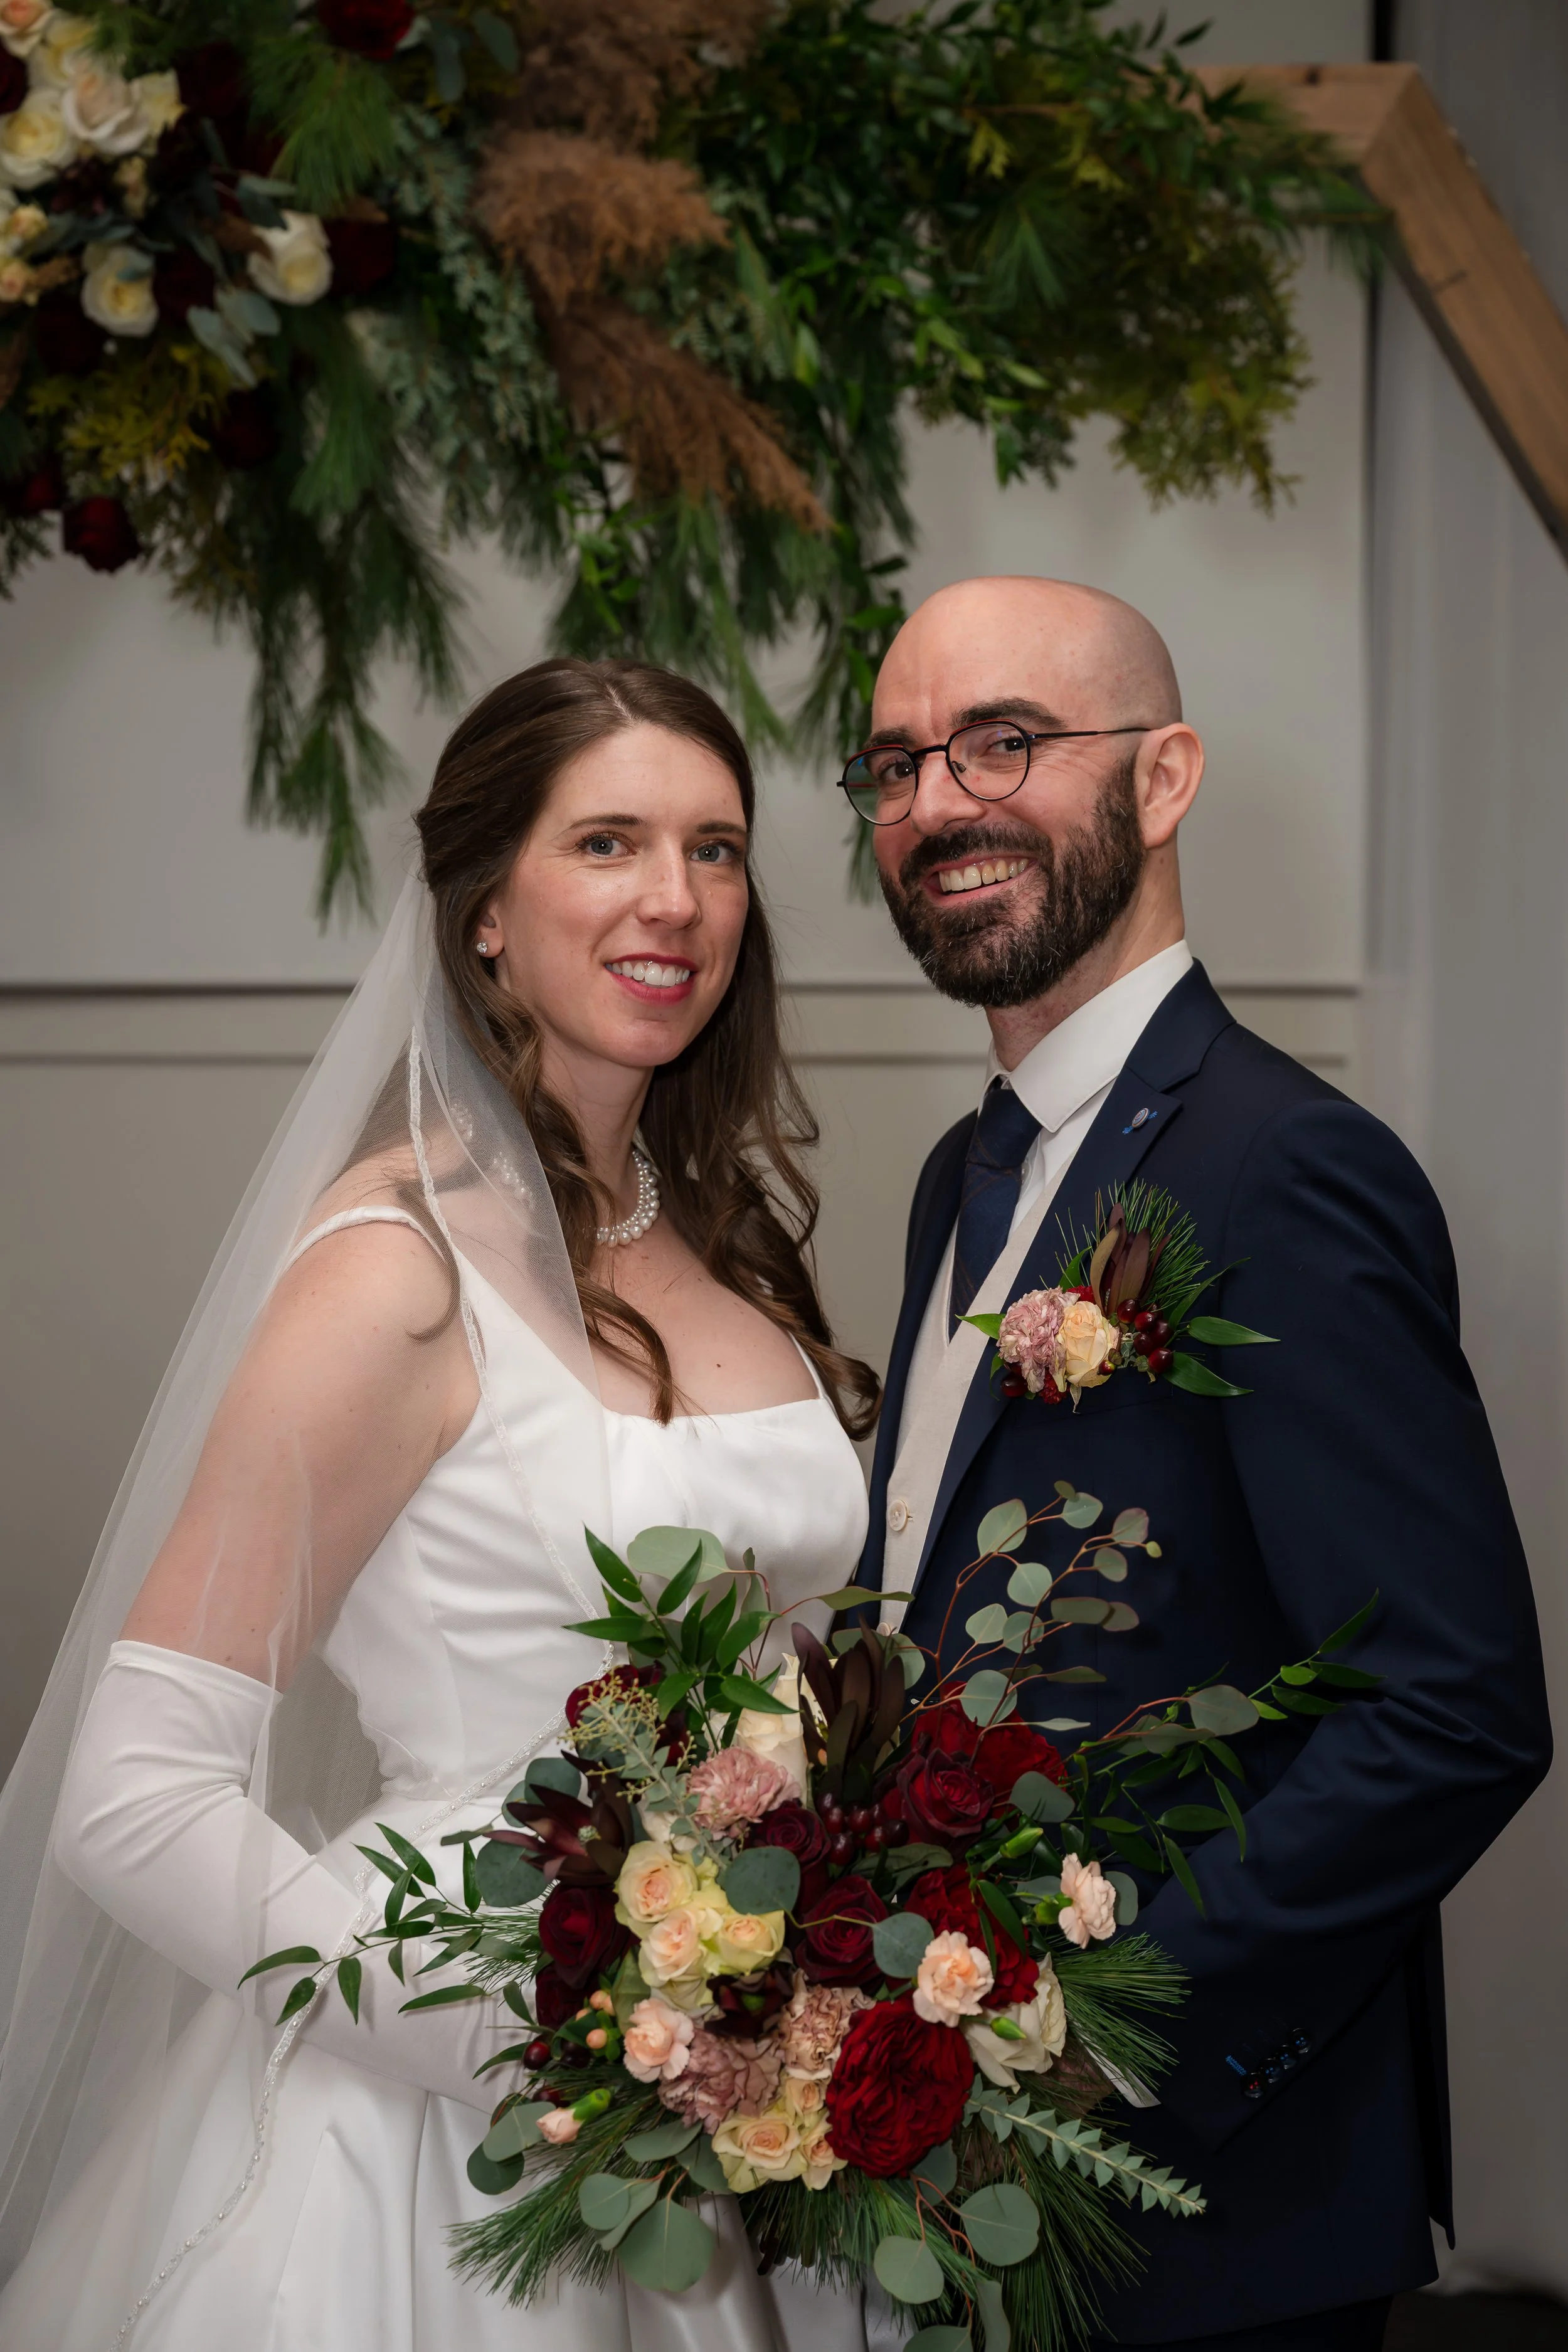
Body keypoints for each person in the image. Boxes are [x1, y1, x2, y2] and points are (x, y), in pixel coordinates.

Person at [0, 659, 878, 2352]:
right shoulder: (397, 1271)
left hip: (718, 2093)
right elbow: (129, 1789)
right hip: (428, 2114)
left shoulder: (730, 1249)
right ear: (487, 908)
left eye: (717, 846)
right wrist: (527, 2031)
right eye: (608, 840)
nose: (674, 899)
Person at [854, 577, 1552, 2350]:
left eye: (1004, 741)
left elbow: (1451, 1706)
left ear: (1162, 779)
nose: (939, 803)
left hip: (1216, 2210)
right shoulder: (962, 1175)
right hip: (957, 2182)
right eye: (894, 762)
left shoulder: (1286, 1167)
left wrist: (1100, 2025)